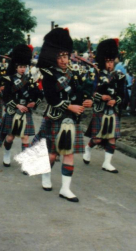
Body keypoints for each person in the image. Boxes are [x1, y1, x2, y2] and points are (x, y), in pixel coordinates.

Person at [33, 27, 92, 202]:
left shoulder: (73, 73)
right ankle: (45, 174)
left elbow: (78, 94)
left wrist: (86, 102)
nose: (64, 60)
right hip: (56, 117)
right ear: (53, 57)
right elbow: (51, 98)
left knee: (69, 153)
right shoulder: (49, 75)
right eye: (60, 56)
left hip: (71, 120)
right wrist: (70, 107)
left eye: (66, 56)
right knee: (52, 154)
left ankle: (66, 189)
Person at [0, 44, 42, 168]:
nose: (23, 69)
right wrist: (17, 105)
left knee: (25, 138)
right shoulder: (9, 79)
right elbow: (5, 97)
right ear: (16, 67)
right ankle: (7, 154)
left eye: (24, 66)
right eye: (20, 67)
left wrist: (34, 103)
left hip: (26, 112)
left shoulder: (30, 80)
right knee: (10, 137)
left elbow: (39, 95)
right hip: (13, 111)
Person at [83, 39, 126, 173]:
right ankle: (88, 148)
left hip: (113, 110)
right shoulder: (95, 74)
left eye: (112, 61)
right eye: (107, 61)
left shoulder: (119, 76)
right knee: (97, 139)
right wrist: (100, 97)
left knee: (112, 137)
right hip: (100, 109)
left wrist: (115, 100)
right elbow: (89, 92)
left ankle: (107, 163)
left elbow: (123, 94)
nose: (110, 64)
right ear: (103, 61)